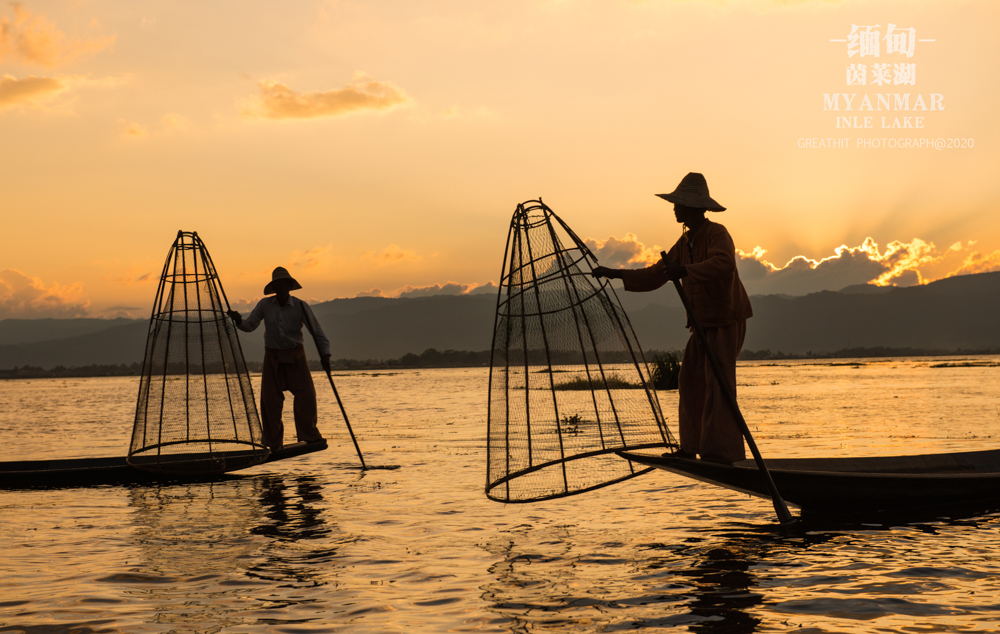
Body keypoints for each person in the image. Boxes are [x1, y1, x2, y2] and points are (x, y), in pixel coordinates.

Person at [592, 172, 752, 464]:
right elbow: (656, 274)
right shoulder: (685, 242)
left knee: (719, 384)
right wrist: (615, 273)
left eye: (678, 204)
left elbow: (724, 263)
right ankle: (691, 447)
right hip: (702, 323)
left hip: (727, 318)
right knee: (689, 378)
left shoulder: (717, 233)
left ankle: (720, 451)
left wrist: (686, 271)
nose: (674, 208)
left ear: (692, 207)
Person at [227, 267, 331, 450]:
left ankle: (309, 435)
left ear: (289, 287)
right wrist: (238, 321)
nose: (282, 289)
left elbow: (317, 333)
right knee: (270, 402)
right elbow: (250, 325)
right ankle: (273, 442)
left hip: (296, 356)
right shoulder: (265, 305)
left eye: (284, 285)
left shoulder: (300, 306)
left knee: (306, 398)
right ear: (274, 289)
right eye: (278, 286)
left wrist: (326, 355)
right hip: (273, 357)